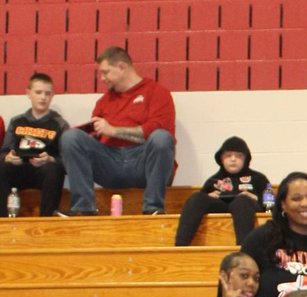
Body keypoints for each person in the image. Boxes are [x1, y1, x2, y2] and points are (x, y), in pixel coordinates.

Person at [59, 47, 176, 217]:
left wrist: (113, 130)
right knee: (71, 137)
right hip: (110, 164)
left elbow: (155, 130)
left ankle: (153, 208)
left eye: (106, 72)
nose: (102, 78)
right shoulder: (104, 101)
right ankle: (83, 208)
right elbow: (92, 140)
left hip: (142, 163)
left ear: (122, 67)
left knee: (161, 137)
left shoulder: (157, 92)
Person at [241, 171, 307, 297]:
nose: (305, 203)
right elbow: (236, 287)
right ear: (283, 205)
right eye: (296, 198)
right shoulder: (260, 238)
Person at [174, 135, 268, 246]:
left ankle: (244, 250)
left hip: (245, 207)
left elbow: (273, 204)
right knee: (196, 197)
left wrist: (256, 198)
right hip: (220, 206)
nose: (233, 159)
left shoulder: (259, 179)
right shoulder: (213, 181)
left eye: (239, 156)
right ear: (221, 158)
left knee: (242, 201)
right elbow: (198, 203)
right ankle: (180, 246)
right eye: (228, 155)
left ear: (246, 159)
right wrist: (209, 196)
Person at [0, 71, 69, 216]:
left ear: (52, 95)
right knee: (3, 167)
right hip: (19, 169)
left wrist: (50, 159)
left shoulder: (60, 124)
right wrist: (8, 158)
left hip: (45, 173)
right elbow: (3, 152)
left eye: (47, 93)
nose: (43, 97)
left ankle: (47, 220)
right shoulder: (16, 122)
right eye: (38, 92)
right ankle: (2, 220)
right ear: (28, 93)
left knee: (53, 169)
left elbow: (68, 162)